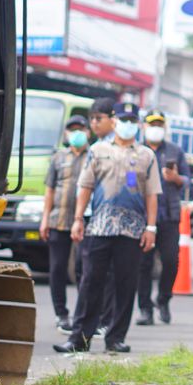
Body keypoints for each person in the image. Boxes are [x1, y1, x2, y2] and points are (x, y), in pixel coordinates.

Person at [55, 99, 161, 354]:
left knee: (125, 284)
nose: (127, 125)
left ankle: (115, 338)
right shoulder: (98, 149)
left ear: (138, 125)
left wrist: (151, 228)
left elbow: (152, 194)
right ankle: (79, 338)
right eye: (123, 120)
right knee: (91, 281)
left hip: (132, 229)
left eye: (132, 121)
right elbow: (86, 186)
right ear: (114, 121)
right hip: (101, 226)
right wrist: (78, 219)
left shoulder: (146, 155)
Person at [40, 113, 91, 333]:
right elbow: (50, 189)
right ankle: (61, 314)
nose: (77, 133)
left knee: (83, 268)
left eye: (81, 129)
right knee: (58, 268)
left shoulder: (94, 157)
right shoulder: (58, 157)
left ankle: (84, 314)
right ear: (66, 133)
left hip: (86, 222)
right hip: (58, 220)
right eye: (73, 129)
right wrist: (44, 218)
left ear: (87, 132)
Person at [136, 110, 187, 326]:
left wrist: (176, 178)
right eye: (152, 124)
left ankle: (164, 299)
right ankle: (145, 309)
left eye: (159, 124)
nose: (155, 128)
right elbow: (131, 179)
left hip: (169, 215)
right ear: (144, 127)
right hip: (144, 215)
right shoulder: (137, 151)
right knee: (144, 264)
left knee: (170, 260)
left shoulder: (175, 151)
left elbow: (187, 179)